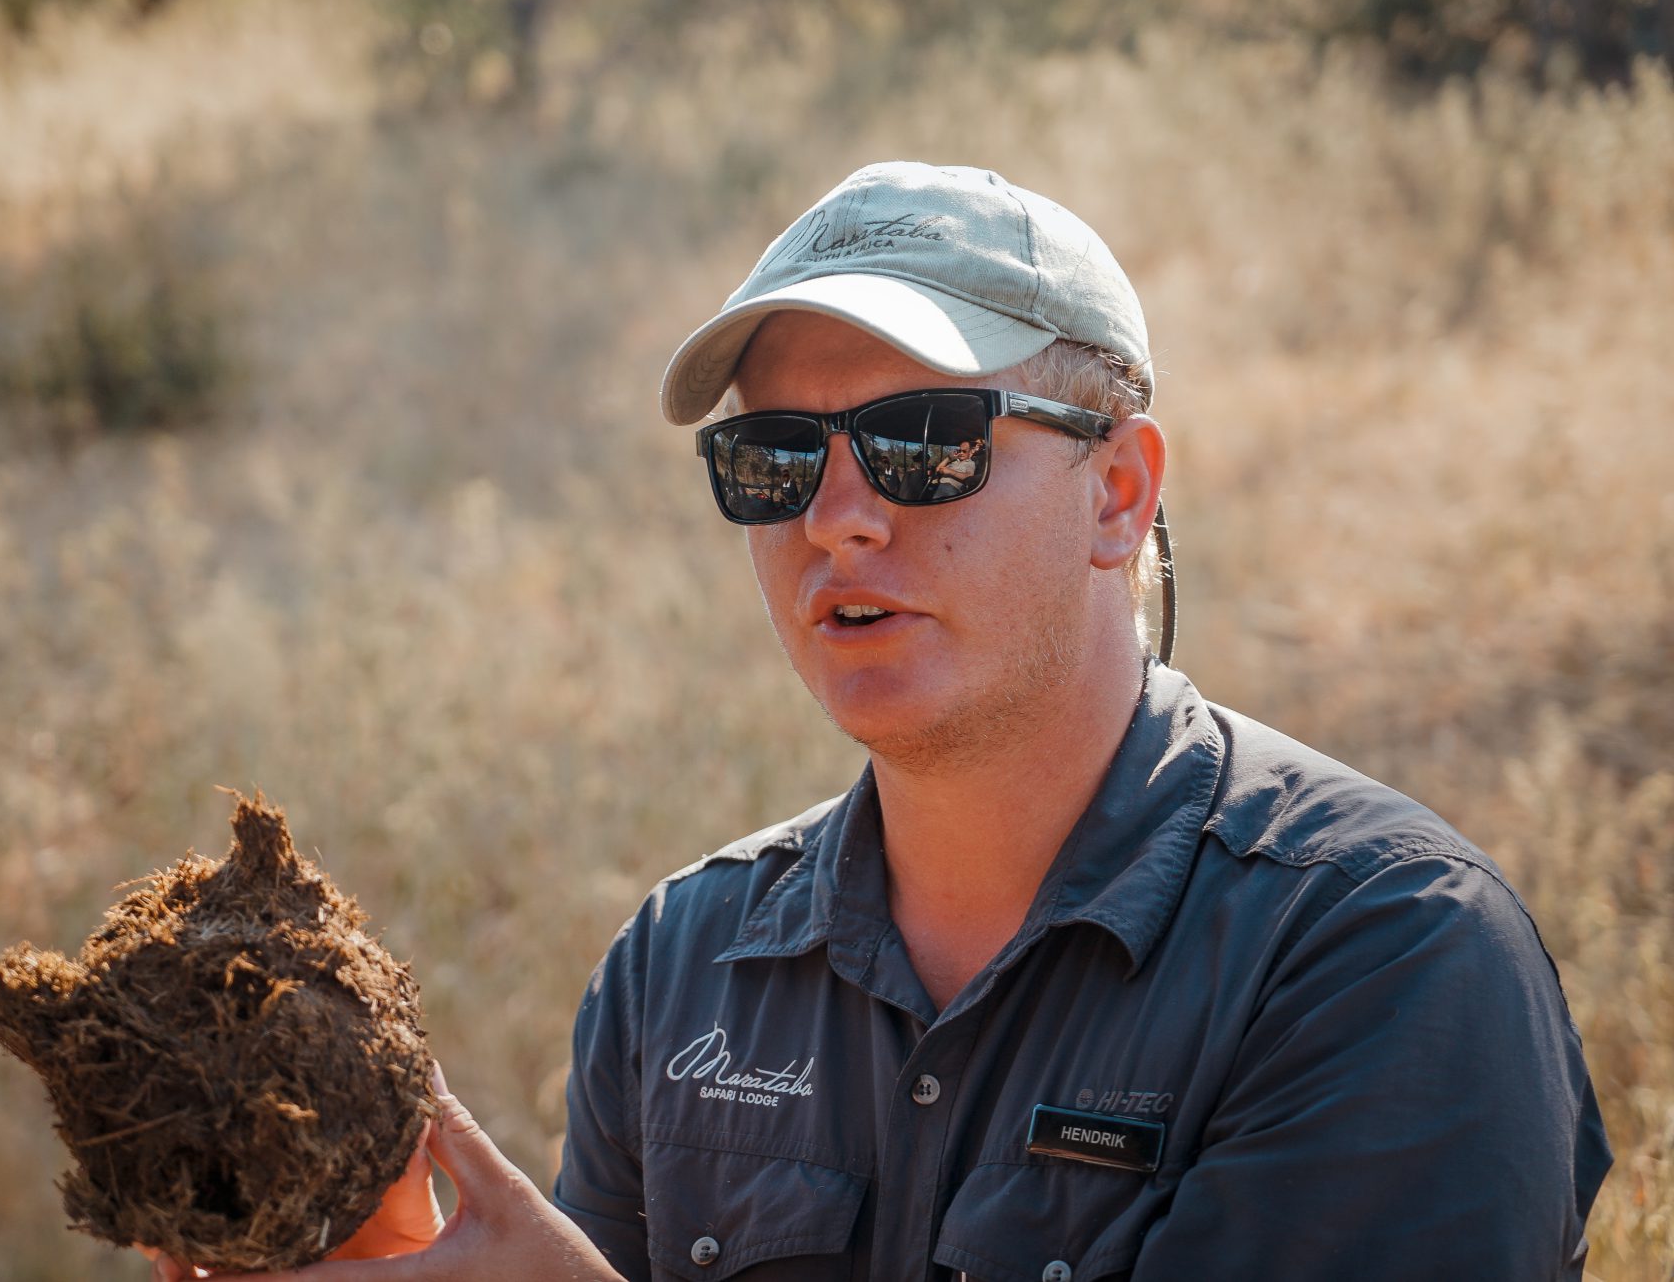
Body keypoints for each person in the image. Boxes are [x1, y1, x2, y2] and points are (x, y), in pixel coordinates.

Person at [148, 162, 1610, 1281]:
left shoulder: (1384, 956)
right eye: (774, 460)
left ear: (1119, 492)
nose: (838, 520)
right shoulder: (684, 971)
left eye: (926, 444)